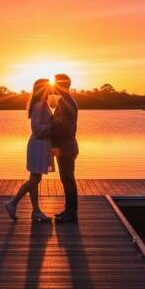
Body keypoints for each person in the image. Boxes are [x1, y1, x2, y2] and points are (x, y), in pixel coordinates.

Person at [5, 78, 53, 222]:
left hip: (41, 145)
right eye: (48, 86)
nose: (51, 89)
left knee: (34, 178)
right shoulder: (39, 106)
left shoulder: (43, 104)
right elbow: (36, 129)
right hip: (38, 145)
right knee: (35, 179)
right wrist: (53, 127)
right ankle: (12, 203)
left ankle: (36, 211)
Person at [51, 73, 78, 223]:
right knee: (66, 179)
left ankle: (71, 213)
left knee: (68, 180)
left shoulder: (66, 101)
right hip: (66, 147)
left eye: (56, 83)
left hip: (67, 147)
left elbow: (63, 126)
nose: (54, 86)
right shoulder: (66, 100)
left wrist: (49, 129)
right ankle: (68, 210)